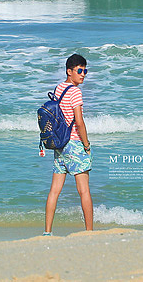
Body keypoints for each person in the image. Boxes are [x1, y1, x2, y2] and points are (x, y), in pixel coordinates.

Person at [43, 53, 92, 235]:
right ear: (69, 71)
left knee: (54, 191)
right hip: (75, 144)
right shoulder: (75, 92)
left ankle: (47, 231)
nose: (83, 74)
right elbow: (79, 122)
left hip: (60, 145)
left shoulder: (59, 88)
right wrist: (86, 144)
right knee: (84, 191)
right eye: (79, 71)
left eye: (85, 71)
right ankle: (89, 232)